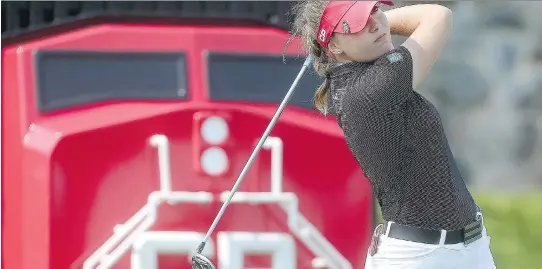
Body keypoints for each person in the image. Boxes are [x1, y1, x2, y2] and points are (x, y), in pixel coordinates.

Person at [287, 1, 497, 269]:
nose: (375, 23)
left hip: (460, 250)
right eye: (359, 23)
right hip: (421, 257)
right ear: (335, 46)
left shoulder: (355, 79)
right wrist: (379, 25)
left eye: (375, 10)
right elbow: (437, 16)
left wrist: (362, 25)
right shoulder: (375, 86)